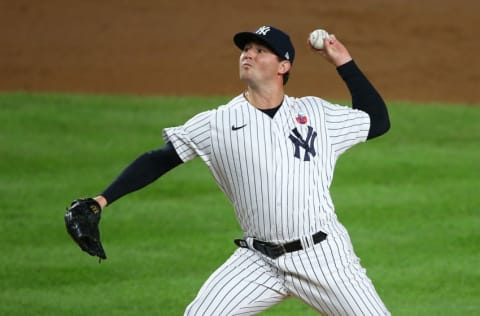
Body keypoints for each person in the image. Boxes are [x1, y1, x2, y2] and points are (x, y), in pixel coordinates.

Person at [92, 25, 391, 315]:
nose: (248, 54)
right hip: (259, 261)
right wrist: (99, 201)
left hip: (323, 256)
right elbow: (158, 160)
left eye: (261, 50)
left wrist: (343, 61)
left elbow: (377, 120)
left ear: (283, 66)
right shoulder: (217, 122)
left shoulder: (316, 113)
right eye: (246, 49)